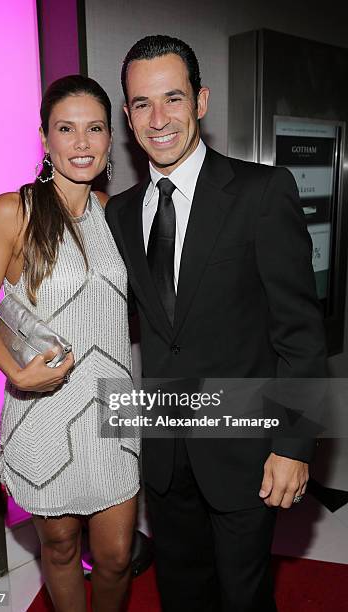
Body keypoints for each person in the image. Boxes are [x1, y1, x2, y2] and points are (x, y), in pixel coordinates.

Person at [105, 35, 327, 612]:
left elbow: (300, 333)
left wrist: (295, 445)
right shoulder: (122, 213)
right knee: (182, 592)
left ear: (200, 101)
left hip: (244, 448)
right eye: (142, 104)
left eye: (172, 98)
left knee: (244, 596)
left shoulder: (260, 191)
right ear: (127, 116)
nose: (159, 119)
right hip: (165, 449)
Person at [0, 75, 139, 612]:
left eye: (95, 129)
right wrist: (15, 375)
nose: (81, 143)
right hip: (43, 404)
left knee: (115, 556)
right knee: (59, 548)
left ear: (112, 139)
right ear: (44, 137)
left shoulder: (121, 216)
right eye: (67, 129)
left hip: (113, 406)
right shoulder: (11, 211)